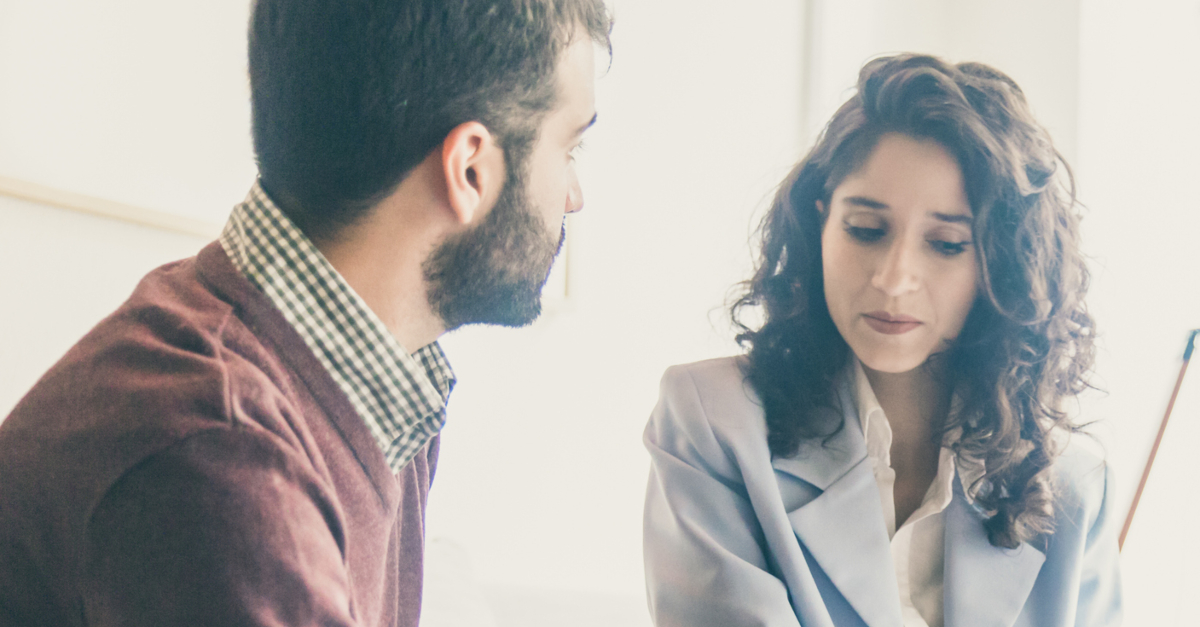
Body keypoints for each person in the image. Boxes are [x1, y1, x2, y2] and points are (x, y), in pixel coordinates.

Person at [0, 1, 610, 626]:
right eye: (570, 148)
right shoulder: (220, 456)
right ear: (470, 168)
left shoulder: (370, 381)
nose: (575, 197)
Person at [643, 54, 1121, 627]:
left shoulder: (1070, 486)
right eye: (866, 230)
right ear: (819, 222)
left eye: (946, 244)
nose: (894, 279)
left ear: (1001, 264)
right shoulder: (712, 423)